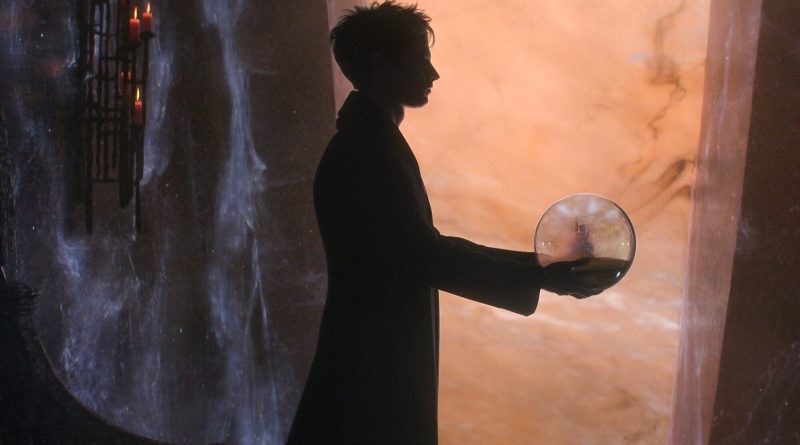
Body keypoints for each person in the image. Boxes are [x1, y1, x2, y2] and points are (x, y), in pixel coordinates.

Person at [287, 2, 600, 443]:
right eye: (420, 59)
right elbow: (425, 254)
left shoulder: (368, 145)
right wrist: (539, 274)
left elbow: (422, 246)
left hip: (372, 362)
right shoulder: (365, 154)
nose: (433, 74)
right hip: (371, 374)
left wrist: (537, 268)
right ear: (380, 65)